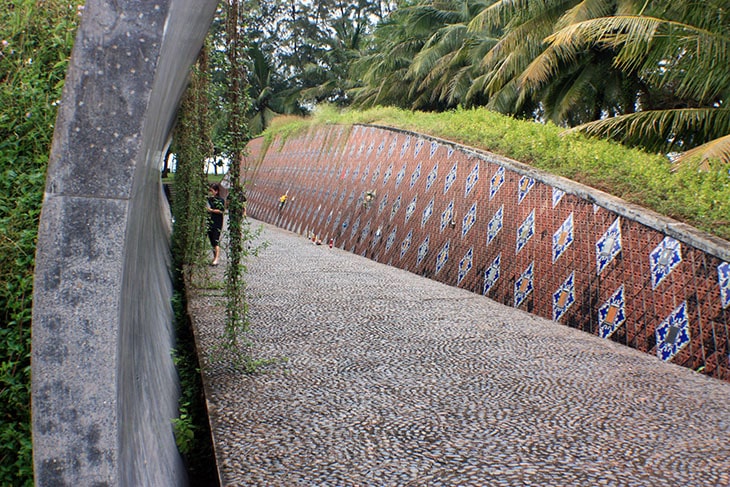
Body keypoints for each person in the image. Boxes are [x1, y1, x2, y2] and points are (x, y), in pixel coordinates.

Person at [207, 183, 225, 266]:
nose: (210, 192)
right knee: (212, 240)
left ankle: (217, 258)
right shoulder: (209, 199)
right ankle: (215, 257)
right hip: (209, 221)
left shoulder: (220, 200)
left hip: (217, 222)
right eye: (209, 190)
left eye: (212, 190)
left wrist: (211, 210)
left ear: (216, 191)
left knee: (215, 239)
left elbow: (221, 211)